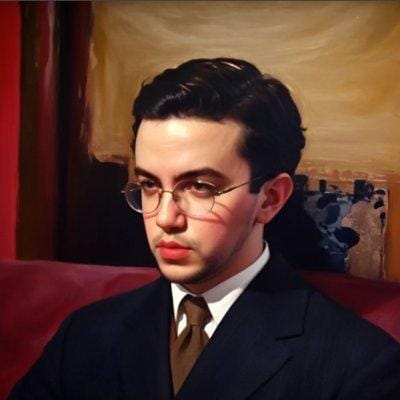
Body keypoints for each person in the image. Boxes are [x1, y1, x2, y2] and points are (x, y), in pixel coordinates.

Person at [9, 58, 400, 399]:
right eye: (149, 185)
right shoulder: (86, 335)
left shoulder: (359, 364)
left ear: (270, 198)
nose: (165, 218)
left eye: (199, 187)